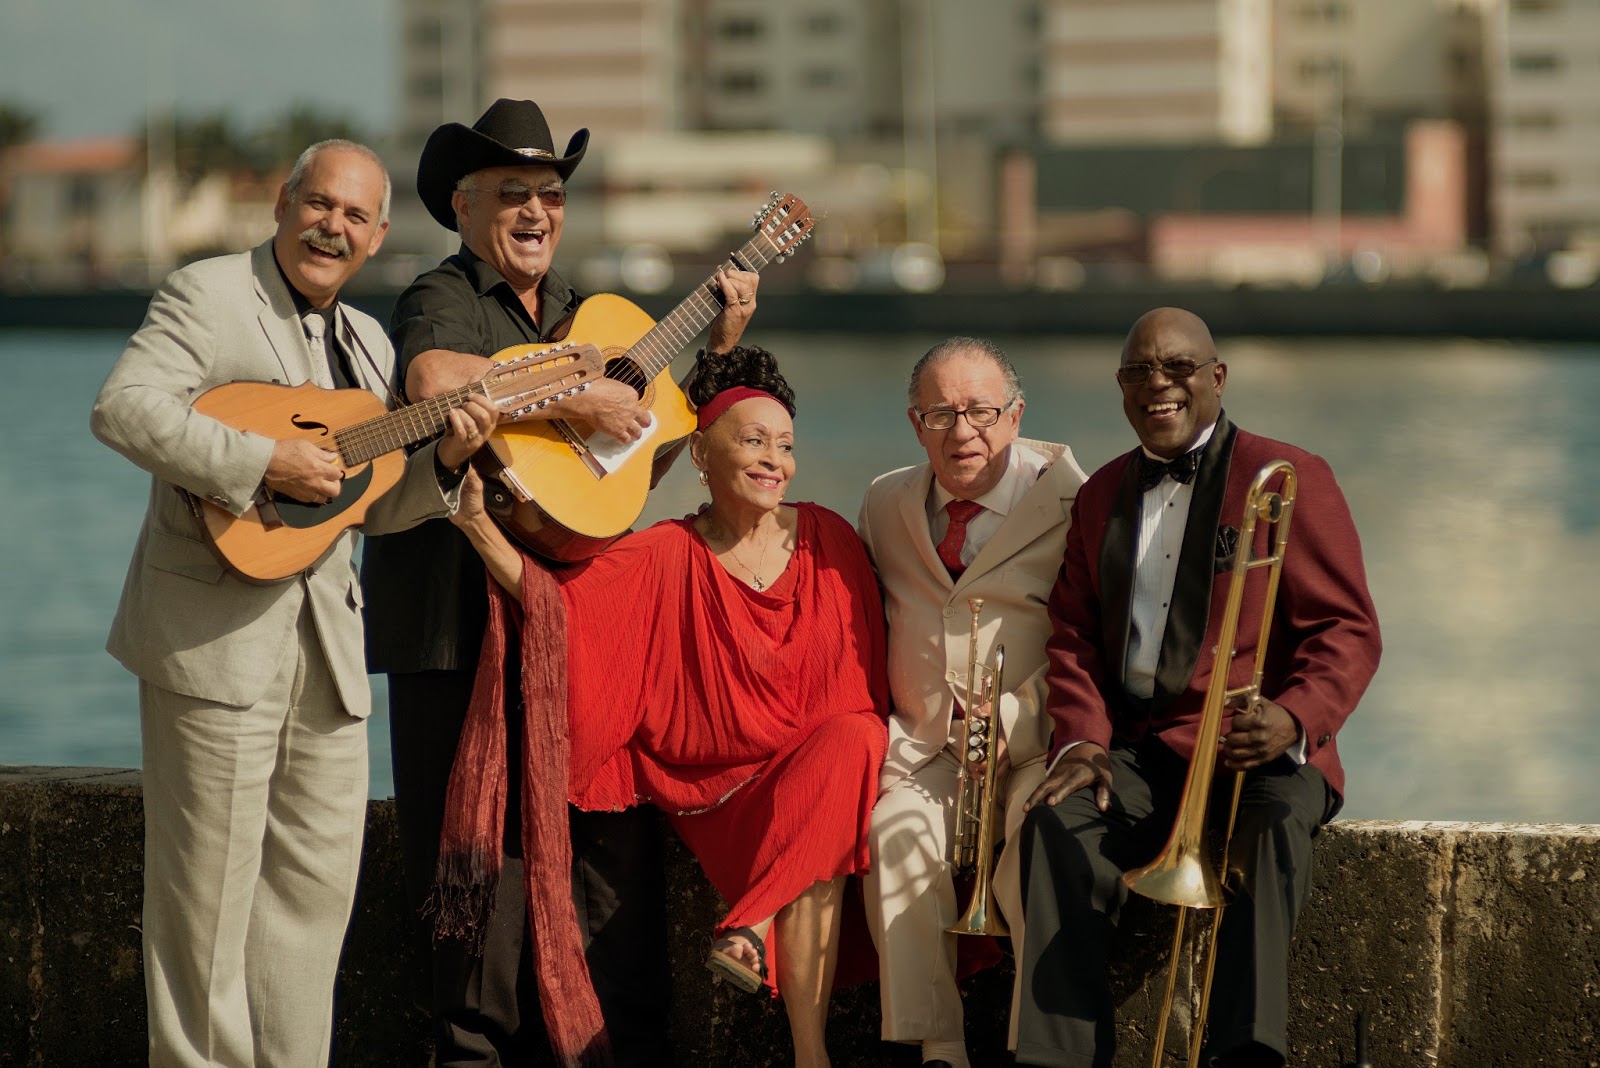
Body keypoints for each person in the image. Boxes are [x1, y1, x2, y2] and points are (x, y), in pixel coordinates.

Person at [358, 98, 760, 1066]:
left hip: (561, 619)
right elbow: (431, 378)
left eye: (549, 194)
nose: (537, 212)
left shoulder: (585, 312)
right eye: (512, 195)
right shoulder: (443, 290)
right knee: (470, 861)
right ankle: (471, 1054)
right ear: (462, 208)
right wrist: (575, 390)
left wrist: (706, 357)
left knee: (584, 844)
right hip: (450, 623)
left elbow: (630, 462)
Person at [90, 140, 496, 1067]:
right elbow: (123, 407)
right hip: (213, 645)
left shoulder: (370, 343)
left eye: (356, 217)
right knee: (203, 923)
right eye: (320, 204)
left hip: (329, 665)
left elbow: (367, 503)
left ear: (379, 236)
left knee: (312, 916)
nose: (333, 226)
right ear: (282, 203)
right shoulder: (209, 294)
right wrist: (258, 460)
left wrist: (444, 460)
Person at [446, 345, 888, 1068]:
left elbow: (863, 690)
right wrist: (478, 528)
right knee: (830, 820)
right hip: (722, 801)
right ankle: (797, 1025)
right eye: (752, 441)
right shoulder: (665, 552)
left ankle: (788, 1010)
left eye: (785, 445)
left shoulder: (831, 538)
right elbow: (562, 614)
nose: (774, 459)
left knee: (856, 740)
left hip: (815, 780)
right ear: (701, 458)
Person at [1015, 307, 1382, 1068]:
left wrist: (1294, 717)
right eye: (1138, 372)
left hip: (1256, 751)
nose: (1159, 385)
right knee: (1056, 824)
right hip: (1145, 751)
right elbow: (1074, 635)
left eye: (1178, 369)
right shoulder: (1101, 494)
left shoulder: (1287, 477)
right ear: (1121, 388)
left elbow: (1346, 630)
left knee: (1277, 829)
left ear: (1216, 378)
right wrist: (1083, 741)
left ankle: (1245, 1053)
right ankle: (1060, 1057)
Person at [856, 338, 1089, 1068]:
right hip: (929, 748)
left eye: (981, 411)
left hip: (1032, 749)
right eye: (940, 413)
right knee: (891, 835)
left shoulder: (1078, 501)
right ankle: (939, 1047)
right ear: (913, 423)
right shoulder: (884, 500)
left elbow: (1097, 647)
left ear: (1016, 416)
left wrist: (1015, 720)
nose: (963, 432)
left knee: (1038, 859)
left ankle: (1035, 1048)